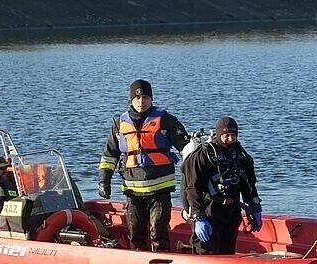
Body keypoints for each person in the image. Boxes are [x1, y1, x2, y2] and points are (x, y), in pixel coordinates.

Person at [98, 79, 189, 251]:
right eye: (137, 98)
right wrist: (104, 181)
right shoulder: (119, 125)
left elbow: (186, 149)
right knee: (135, 233)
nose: (141, 101)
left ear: (151, 99)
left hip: (160, 189)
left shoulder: (166, 120)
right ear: (131, 99)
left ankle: (162, 259)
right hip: (132, 190)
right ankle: (138, 261)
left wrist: (192, 180)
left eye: (145, 97)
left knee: (158, 232)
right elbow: (109, 155)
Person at [182, 116, 262, 254]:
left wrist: (255, 207)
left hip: (232, 211)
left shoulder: (240, 155)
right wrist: (199, 216)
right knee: (205, 251)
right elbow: (192, 188)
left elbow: (248, 185)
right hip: (209, 210)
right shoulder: (203, 155)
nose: (231, 139)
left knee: (227, 251)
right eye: (226, 136)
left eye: (233, 135)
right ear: (219, 135)